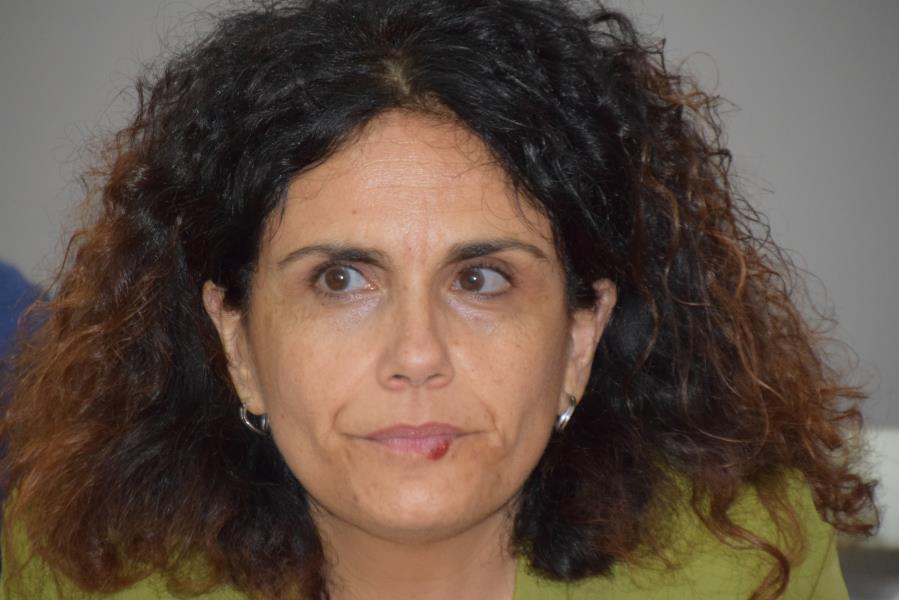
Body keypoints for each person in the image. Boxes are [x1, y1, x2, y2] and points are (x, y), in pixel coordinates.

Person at [0, 0, 878, 598]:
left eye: (480, 279)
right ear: (238, 345)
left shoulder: (745, 562)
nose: (417, 355)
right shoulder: (77, 570)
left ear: (579, 340)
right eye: (340, 279)